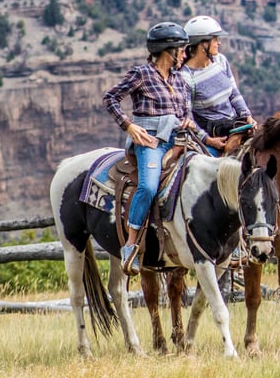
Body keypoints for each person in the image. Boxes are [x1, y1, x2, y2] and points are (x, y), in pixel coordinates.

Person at [103, 22, 207, 275]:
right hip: (150, 143)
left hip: (180, 141)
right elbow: (111, 98)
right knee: (148, 186)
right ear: (167, 50)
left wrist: (187, 122)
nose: (185, 54)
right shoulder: (141, 74)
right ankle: (131, 245)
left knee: (215, 170)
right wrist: (129, 126)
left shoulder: (180, 80)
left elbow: (187, 115)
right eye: (182, 49)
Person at [179, 15, 255, 155]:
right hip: (213, 136)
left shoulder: (220, 60)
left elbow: (233, 92)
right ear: (202, 45)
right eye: (215, 39)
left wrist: (246, 115)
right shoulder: (186, 77)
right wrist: (208, 140)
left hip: (233, 126)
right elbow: (187, 118)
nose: (218, 43)